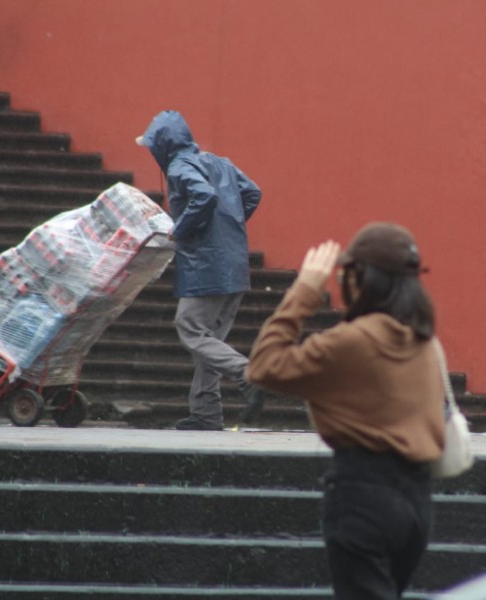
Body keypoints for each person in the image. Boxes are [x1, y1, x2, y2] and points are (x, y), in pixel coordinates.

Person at [246, 223, 445, 599]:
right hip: (417, 501)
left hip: (364, 493)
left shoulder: (354, 340)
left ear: (362, 278)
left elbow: (263, 365)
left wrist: (305, 291)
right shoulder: (422, 342)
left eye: (344, 275)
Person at [136, 110, 266, 430]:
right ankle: (206, 413)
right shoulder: (219, 162)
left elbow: (204, 196)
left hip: (207, 267)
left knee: (190, 328)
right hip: (234, 264)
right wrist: (229, 228)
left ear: (163, 145)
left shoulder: (179, 167)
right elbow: (252, 193)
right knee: (210, 341)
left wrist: (181, 229)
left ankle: (248, 374)